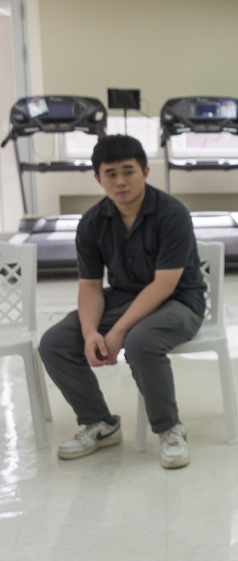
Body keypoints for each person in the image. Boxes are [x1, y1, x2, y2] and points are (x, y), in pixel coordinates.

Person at [39, 134, 205, 469]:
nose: (120, 181)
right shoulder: (92, 222)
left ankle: (170, 428)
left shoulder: (172, 213)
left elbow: (164, 284)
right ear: (98, 178)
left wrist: (117, 332)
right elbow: (89, 286)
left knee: (140, 341)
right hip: (124, 298)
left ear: (145, 171)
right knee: (54, 342)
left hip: (179, 301)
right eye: (110, 174)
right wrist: (90, 334)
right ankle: (100, 423)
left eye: (128, 171)